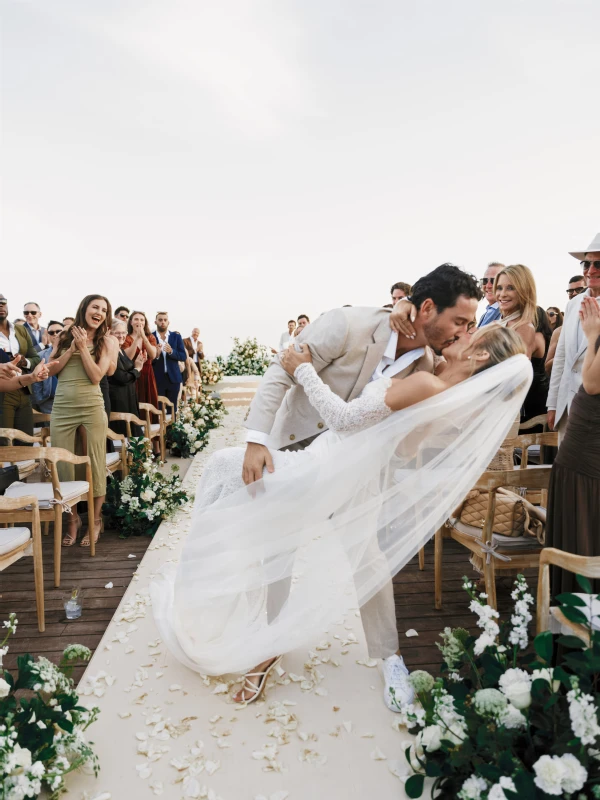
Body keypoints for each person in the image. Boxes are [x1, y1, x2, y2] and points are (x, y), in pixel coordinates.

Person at [151, 323, 530, 710]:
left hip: (323, 466)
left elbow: (345, 420)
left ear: (481, 355)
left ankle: (209, 606)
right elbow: (406, 448)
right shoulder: (437, 378)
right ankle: (264, 642)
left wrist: (303, 369)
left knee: (221, 469)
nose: (463, 331)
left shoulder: (432, 387)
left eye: (472, 332)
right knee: (279, 536)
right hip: (344, 468)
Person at [240, 264, 482, 706]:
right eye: (461, 321)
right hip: (294, 451)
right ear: (427, 308)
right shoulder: (348, 324)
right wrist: (256, 440)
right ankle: (267, 647)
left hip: (357, 470)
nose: (464, 331)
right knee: (278, 549)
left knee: (368, 558)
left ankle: (389, 657)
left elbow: (405, 446)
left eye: (470, 324)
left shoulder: (429, 367)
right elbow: (282, 371)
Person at [49, 295, 119, 547]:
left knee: (94, 461)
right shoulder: (66, 335)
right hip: (63, 406)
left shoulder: (108, 340)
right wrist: (70, 348)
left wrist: (83, 349)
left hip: (91, 406)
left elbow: (96, 375)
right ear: (84, 309)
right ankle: (72, 520)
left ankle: (95, 520)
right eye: (95, 307)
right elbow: (51, 369)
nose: (99, 312)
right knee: (64, 464)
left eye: (104, 309)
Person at [547, 296, 600, 596]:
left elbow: (591, 383)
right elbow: (565, 360)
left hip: (587, 455)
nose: (591, 271)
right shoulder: (577, 305)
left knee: (584, 531)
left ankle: (581, 622)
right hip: (580, 446)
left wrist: (594, 335)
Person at [547, 233, 600, 439]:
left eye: (599, 264)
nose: (591, 270)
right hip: (567, 408)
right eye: (586, 264)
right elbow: (561, 357)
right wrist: (553, 403)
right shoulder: (572, 304)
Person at [0, 293, 41, 438]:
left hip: (24, 390)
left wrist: (25, 361)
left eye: (3, 302)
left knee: (26, 439)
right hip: (3, 392)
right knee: (4, 442)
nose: (1, 306)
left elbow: (36, 358)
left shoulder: (21, 330)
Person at [108, 319, 144, 436]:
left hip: (129, 398)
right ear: (109, 333)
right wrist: (137, 369)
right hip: (118, 400)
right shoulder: (110, 351)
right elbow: (121, 377)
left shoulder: (121, 350)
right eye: (117, 333)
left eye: (123, 332)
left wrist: (138, 363)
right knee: (124, 435)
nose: (121, 336)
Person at [124, 311, 159, 406]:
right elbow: (128, 357)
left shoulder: (151, 337)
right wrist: (137, 339)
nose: (139, 322)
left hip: (148, 374)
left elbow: (152, 355)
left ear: (145, 323)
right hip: (132, 373)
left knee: (149, 402)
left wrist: (143, 337)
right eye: (136, 319)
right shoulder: (126, 338)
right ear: (131, 322)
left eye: (141, 320)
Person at [152, 312, 187, 406]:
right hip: (157, 379)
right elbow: (147, 360)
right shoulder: (151, 337)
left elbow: (183, 356)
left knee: (173, 409)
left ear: (168, 322)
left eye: (165, 320)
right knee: (158, 410)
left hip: (174, 378)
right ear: (155, 322)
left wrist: (171, 352)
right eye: (160, 320)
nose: (162, 322)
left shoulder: (176, 337)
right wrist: (157, 355)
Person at [30, 321, 64, 414]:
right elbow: (35, 379)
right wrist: (40, 399)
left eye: (58, 331)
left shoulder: (74, 352)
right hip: (49, 402)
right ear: (48, 335)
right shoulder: (40, 355)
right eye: (51, 332)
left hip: (72, 400)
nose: (55, 334)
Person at [478, 262, 504, 327]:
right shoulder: (485, 315)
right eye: (485, 280)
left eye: (494, 281)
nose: (488, 285)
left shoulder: (506, 314)